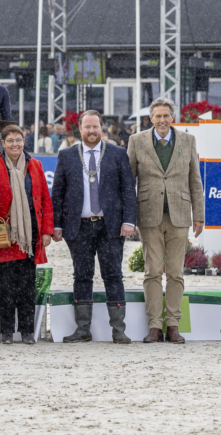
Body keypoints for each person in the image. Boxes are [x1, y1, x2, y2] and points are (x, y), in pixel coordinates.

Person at [51, 110, 137, 344]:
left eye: (95, 127)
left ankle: (119, 330)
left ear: (102, 128)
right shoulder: (67, 155)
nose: (91, 131)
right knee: (81, 276)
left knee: (113, 275)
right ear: (79, 129)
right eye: (87, 127)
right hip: (78, 228)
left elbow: (128, 189)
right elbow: (57, 193)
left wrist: (129, 221)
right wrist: (56, 224)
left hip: (111, 227)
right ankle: (82, 329)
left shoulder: (118, 154)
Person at [127, 98, 205, 344]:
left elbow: (196, 181)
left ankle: (173, 324)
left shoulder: (188, 140)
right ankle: (154, 326)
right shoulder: (136, 141)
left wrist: (199, 216)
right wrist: (129, 218)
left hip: (180, 215)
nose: (162, 120)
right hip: (148, 215)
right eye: (157, 116)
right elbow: (129, 182)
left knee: (175, 273)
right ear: (150, 118)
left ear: (173, 117)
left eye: (166, 116)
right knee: (151, 273)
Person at [0, 125, 54, 344]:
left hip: (29, 235)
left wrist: (47, 231)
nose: (15, 144)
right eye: (10, 140)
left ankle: (28, 332)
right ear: (2, 143)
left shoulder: (35, 165)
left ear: (24, 141)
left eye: (18, 140)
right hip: (4, 235)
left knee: (27, 285)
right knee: (6, 285)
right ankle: (7, 332)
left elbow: (45, 200)